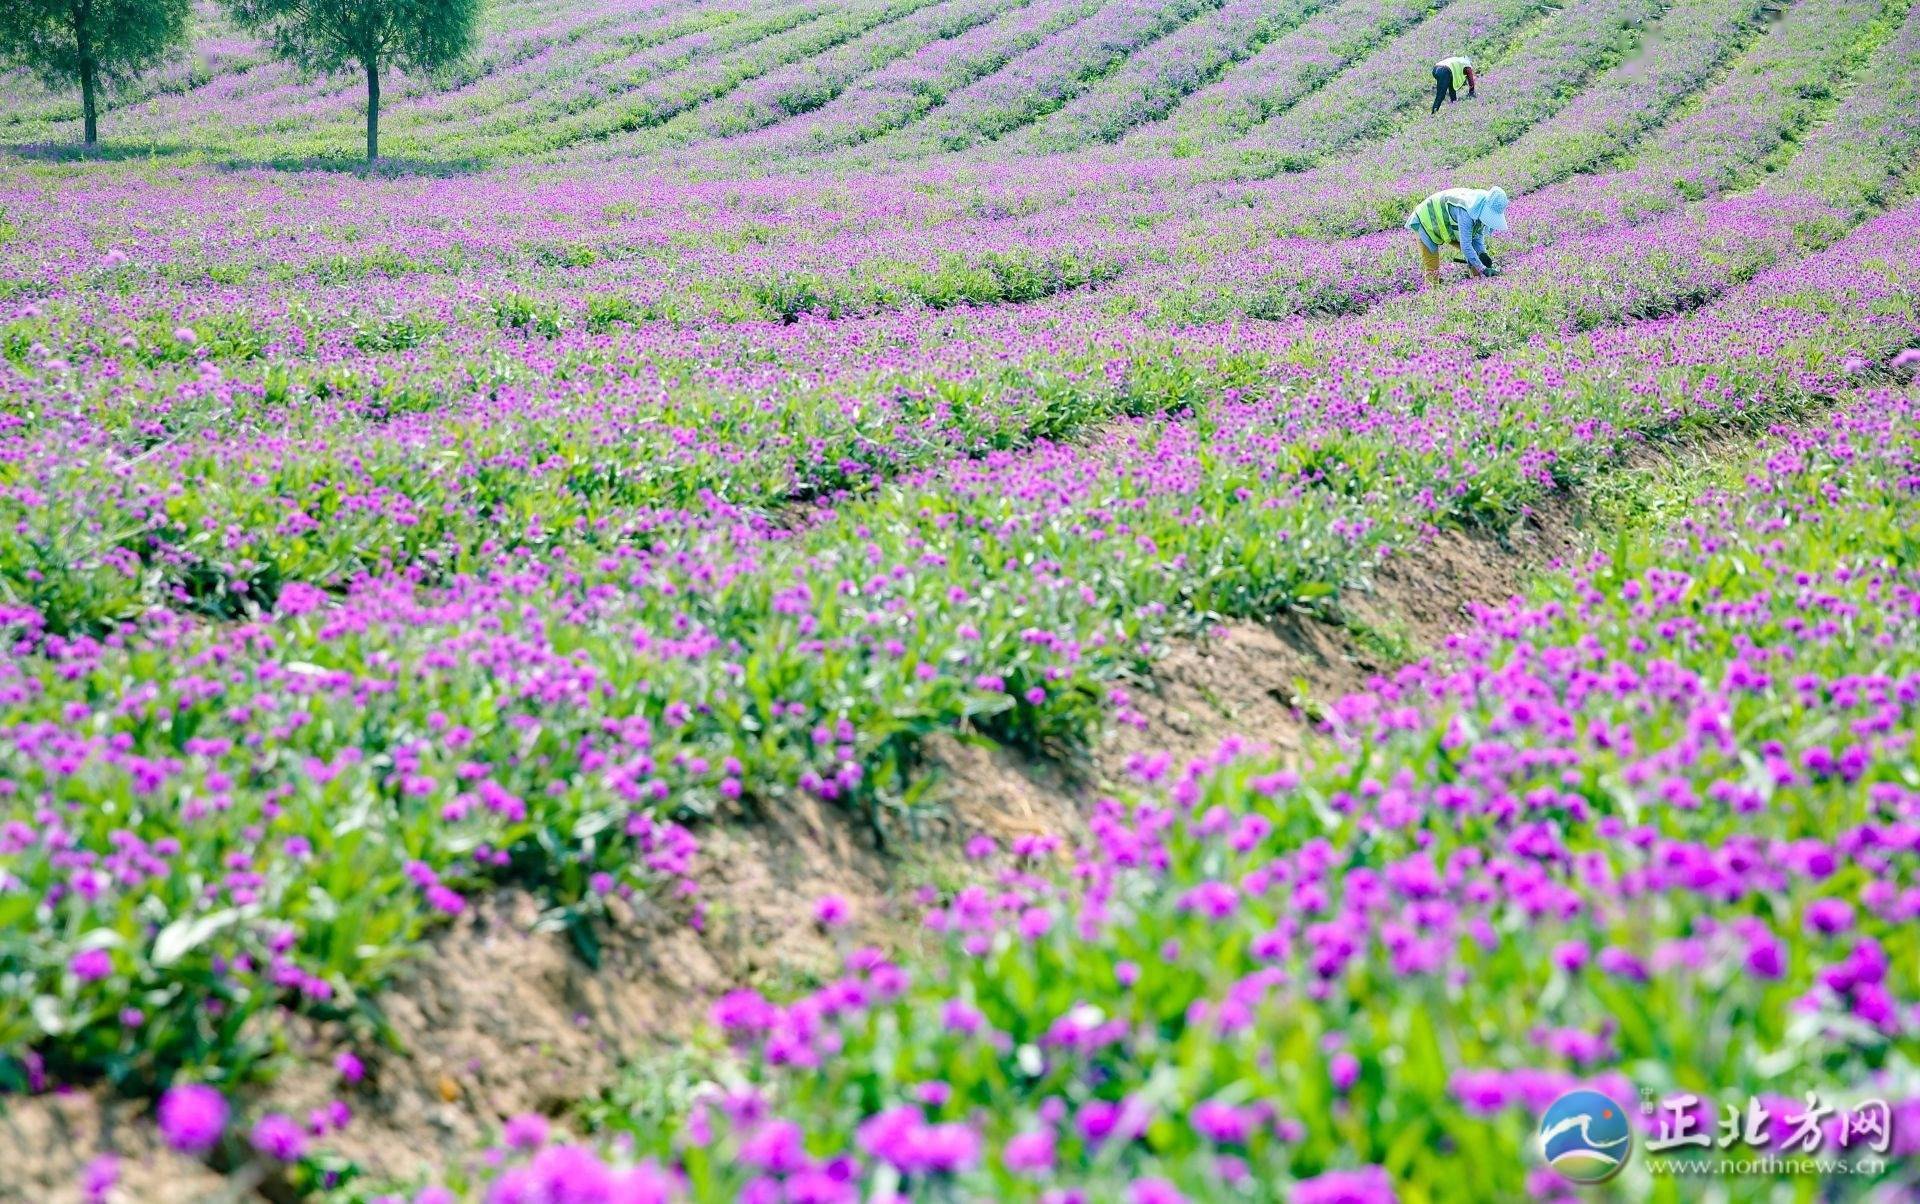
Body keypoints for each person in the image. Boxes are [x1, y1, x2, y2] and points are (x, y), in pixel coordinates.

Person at [1406, 186, 1508, 287]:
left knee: (1475, 256)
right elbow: (1466, 246)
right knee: (1432, 267)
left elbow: (1477, 234)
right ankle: (1430, 295)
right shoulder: (1466, 212)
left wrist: (1482, 253)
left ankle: (1479, 286)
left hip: (1446, 227)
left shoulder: (1478, 207)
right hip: (1425, 220)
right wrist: (1483, 269)